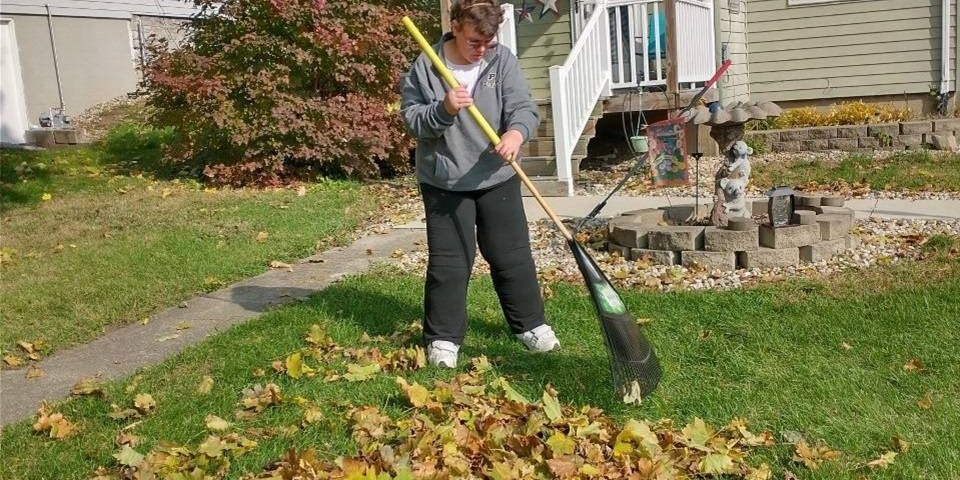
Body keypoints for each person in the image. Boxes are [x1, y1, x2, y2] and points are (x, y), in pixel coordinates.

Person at [400, 0, 559, 368]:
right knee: (450, 263)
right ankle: (442, 338)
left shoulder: (500, 59)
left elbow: (523, 107)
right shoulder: (426, 66)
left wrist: (517, 135)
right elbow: (413, 122)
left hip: (496, 175)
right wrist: (444, 109)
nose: (482, 50)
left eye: (488, 42)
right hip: (445, 179)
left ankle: (530, 326)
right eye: (475, 42)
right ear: (455, 26)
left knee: (512, 256)